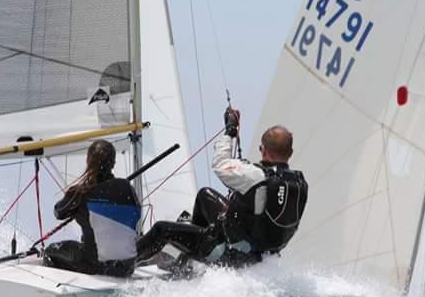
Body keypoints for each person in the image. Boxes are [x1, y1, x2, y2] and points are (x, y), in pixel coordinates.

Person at [137, 108, 308, 268]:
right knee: (205, 195)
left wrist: (230, 131)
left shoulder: (255, 176)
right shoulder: (299, 182)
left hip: (232, 255)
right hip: (261, 253)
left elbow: (220, 164)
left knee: (162, 229)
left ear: (263, 150)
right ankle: (186, 262)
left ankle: (124, 264)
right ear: (290, 153)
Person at [43, 139, 140, 277]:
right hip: (126, 267)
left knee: (50, 252)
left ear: (88, 161)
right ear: (113, 163)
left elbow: (58, 212)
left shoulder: (80, 192)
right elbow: (135, 214)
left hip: (94, 265)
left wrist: (75, 205)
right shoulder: (126, 187)